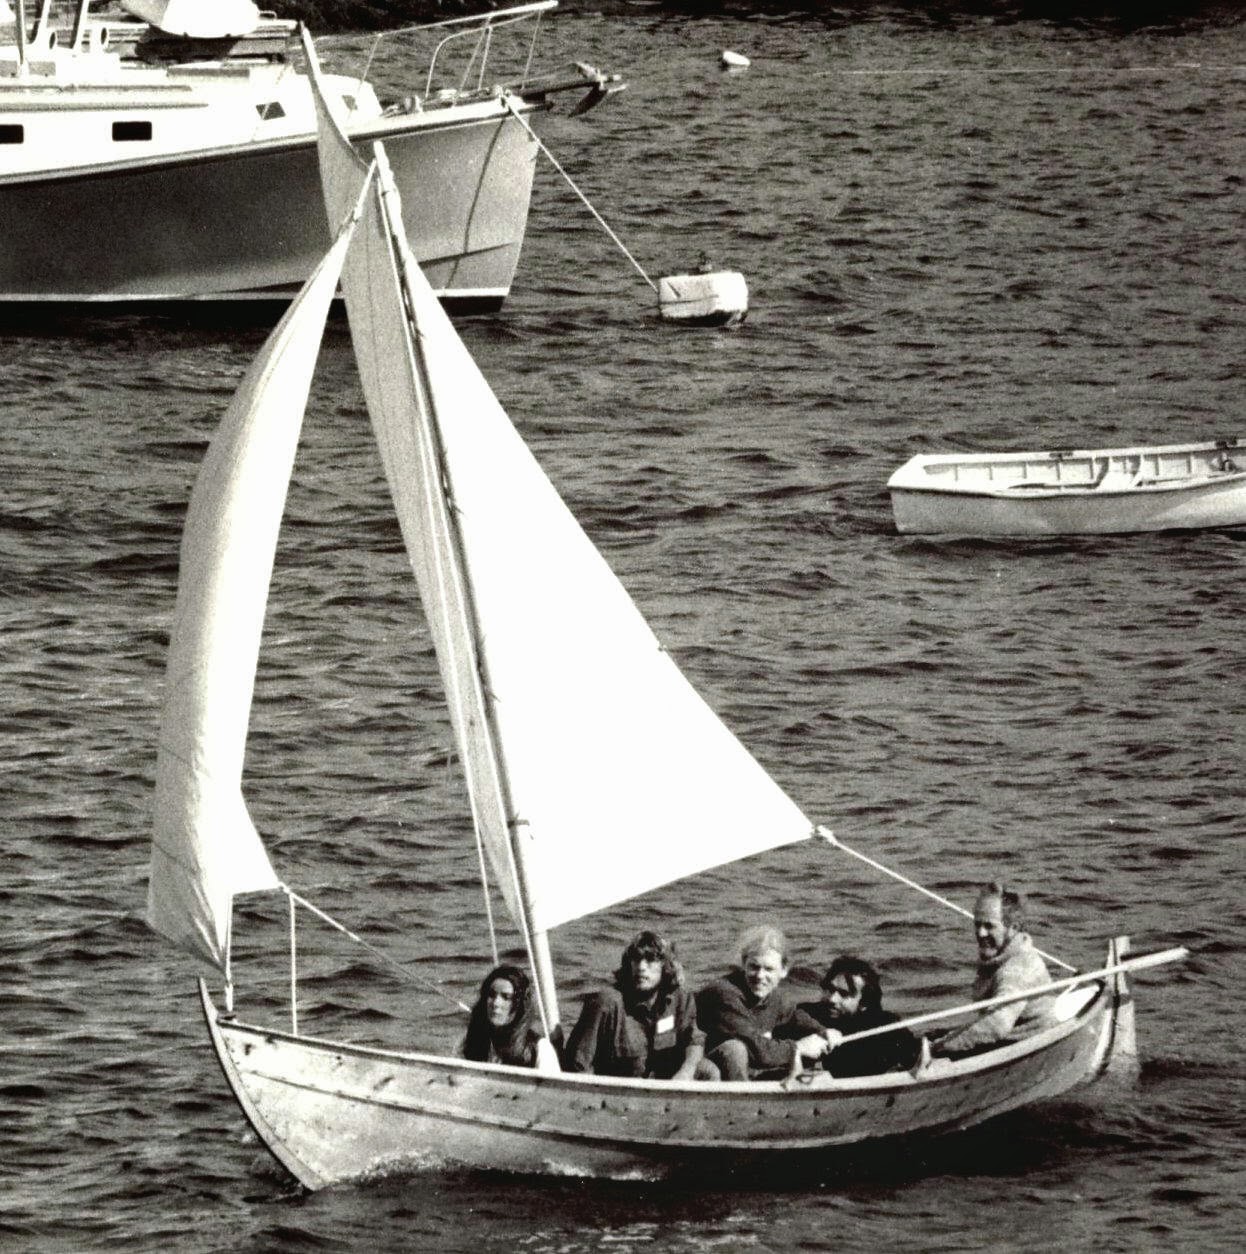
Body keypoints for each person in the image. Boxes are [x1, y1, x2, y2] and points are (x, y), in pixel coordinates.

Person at [564, 930, 711, 1080]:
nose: (641, 967)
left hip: (665, 1085)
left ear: (665, 965)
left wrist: (686, 1071)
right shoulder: (607, 1003)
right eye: (636, 959)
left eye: (650, 960)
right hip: (617, 1089)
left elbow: (695, 1041)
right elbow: (577, 1065)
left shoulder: (680, 999)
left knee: (708, 1071)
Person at [932, 881, 1057, 1057]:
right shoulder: (1001, 955)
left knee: (935, 1048)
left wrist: (938, 1048)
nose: (980, 933)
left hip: (1034, 1044)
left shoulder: (1018, 968)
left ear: (1013, 928)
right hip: (1009, 1036)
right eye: (977, 924)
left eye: (989, 926)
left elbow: (997, 1024)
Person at [696, 924, 832, 1080]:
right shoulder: (724, 994)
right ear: (744, 964)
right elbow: (756, 1049)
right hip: (699, 1064)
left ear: (783, 970)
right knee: (735, 1050)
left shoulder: (775, 995)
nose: (760, 976)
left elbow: (793, 1016)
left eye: (769, 969)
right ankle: (745, 1095)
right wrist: (798, 1048)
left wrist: (823, 1032)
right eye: (754, 967)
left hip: (744, 1064)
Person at [799, 955, 921, 1077]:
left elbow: (915, 1056)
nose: (832, 999)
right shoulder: (806, 1014)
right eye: (829, 989)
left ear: (864, 1003)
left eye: (844, 994)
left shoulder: (886, 1027)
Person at [461, 964, 545, 1068]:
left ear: (520, 1004)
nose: (496, 1003)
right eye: (491, 995)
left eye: (506, 997)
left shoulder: (539, 1049)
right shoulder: (469, 1042)